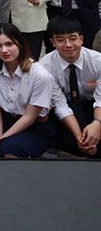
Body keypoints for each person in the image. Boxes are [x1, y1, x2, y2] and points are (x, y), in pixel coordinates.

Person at [0, 23, 56, 158]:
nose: (4, 50)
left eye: (9, 44)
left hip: (33, 126)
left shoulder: (40, 76)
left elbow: (29, 117)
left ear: (20, 44)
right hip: (2, 121)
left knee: (8, 150)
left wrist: (1, 141)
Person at [42, 16, 101, 158]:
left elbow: (100, 99)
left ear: (81, 39)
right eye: (60, 40)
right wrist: (79, 137)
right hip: (66, 107)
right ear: (53, 42)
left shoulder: (97, 61)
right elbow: (60, 105)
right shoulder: (45, 66)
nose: (68, 45)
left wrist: (97, 123)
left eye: (73, 38)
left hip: (93, 105)